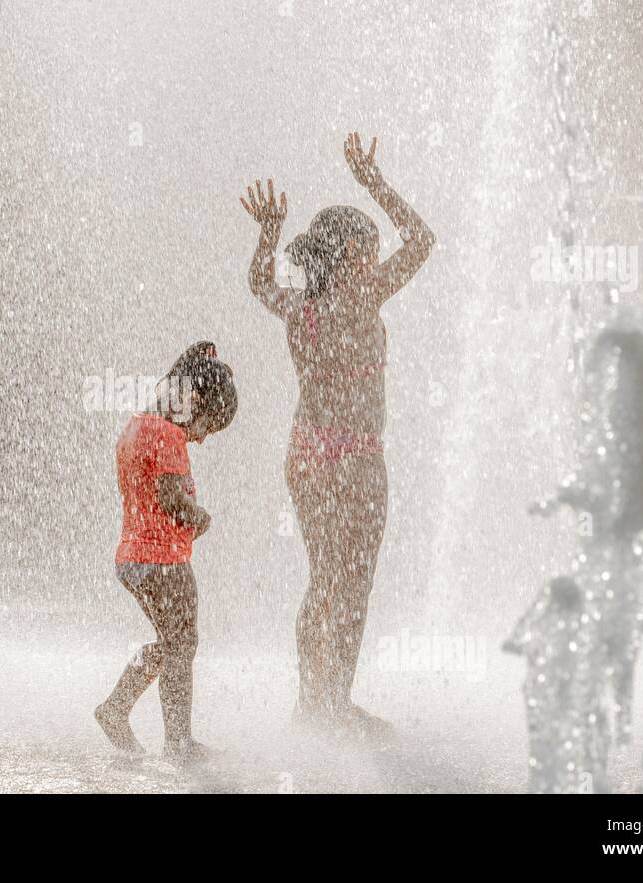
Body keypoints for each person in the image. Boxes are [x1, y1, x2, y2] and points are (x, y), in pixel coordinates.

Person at [239, 133, 434, 733]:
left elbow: (258, 283)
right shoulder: (364, 296)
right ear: (351, 254)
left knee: (327, 574)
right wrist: (372, 182)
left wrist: (268, 237)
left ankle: (314, 702)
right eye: (371, 250)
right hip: (356, 458)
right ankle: (329, 701)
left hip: (310, 453)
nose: (377, 261)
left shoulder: (299, 308)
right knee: (351, 582)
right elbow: (423, 240)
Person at [95, 342, 238, 761]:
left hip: (132, 557)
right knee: (183, 643)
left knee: (171, 642)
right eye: (208, 426)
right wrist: (200, 517)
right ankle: (179, 742)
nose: (204, 438)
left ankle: (117, 708)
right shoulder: (170, 434)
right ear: (194, 401)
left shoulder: (138, 426)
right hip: (163, 561)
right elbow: (172, 497)